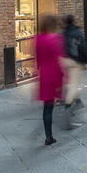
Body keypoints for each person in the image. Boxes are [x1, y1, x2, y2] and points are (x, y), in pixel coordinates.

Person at [34, 15, 65, 145]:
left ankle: (48, 135)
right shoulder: (55, 39)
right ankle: (49, 137)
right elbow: (58, 61)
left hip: (44, 76)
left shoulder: (38, 39)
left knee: (46, 107)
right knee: (49, 107)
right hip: (53, 75)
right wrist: (59, 82)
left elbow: (38, 60)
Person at [62, 15, 87, 119]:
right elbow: (83, 47)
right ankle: (68, 105)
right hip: (75, 61)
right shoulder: (78, 33)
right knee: (75, 84)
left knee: (69, 82)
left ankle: (78, 101)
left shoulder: (63, 33)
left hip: (64, 61)